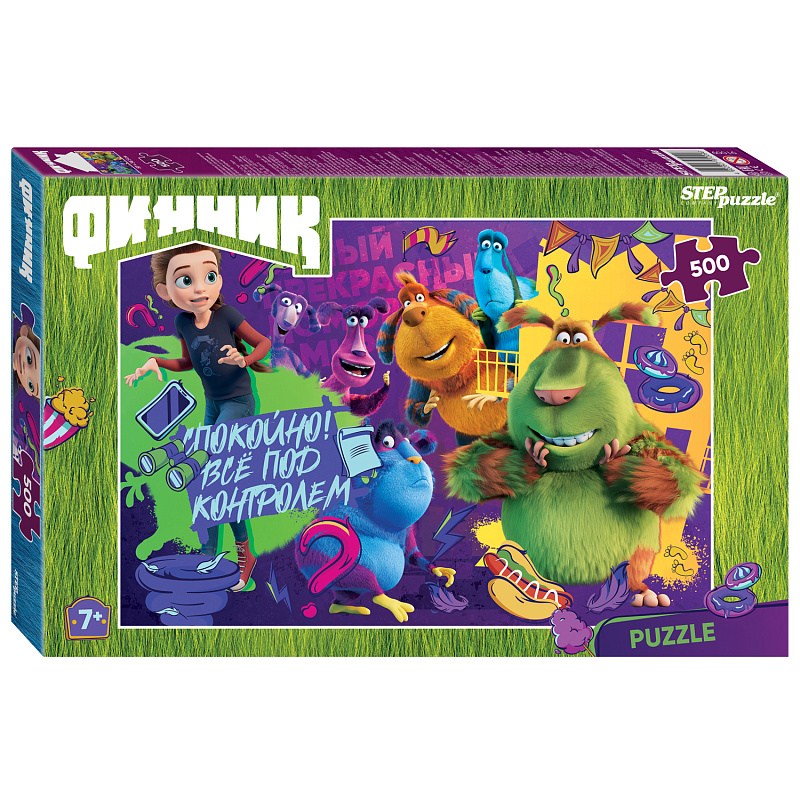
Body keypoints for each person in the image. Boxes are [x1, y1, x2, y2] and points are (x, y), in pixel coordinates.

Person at [125, 243, 271, 591]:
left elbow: (264, 344)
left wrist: (244, 360)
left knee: (210, 462)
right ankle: (210, 553)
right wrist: (156, 362)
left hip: (239, 404)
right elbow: (187, 363)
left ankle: (243, 552)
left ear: (219, 279)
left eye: (209, 276)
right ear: (166, 291)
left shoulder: (227, 315)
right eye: (186, 280)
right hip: (212, 405)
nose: (200, 288)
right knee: (209, 482)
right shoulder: (182, 322)